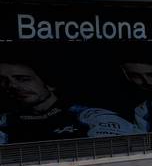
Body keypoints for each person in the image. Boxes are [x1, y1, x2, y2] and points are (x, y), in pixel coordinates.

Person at [0, 61, 141, 144]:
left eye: (23, 79)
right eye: (3, 81)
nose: (12, 86)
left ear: (48, 83)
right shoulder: (5, 121)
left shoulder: (90, 116)